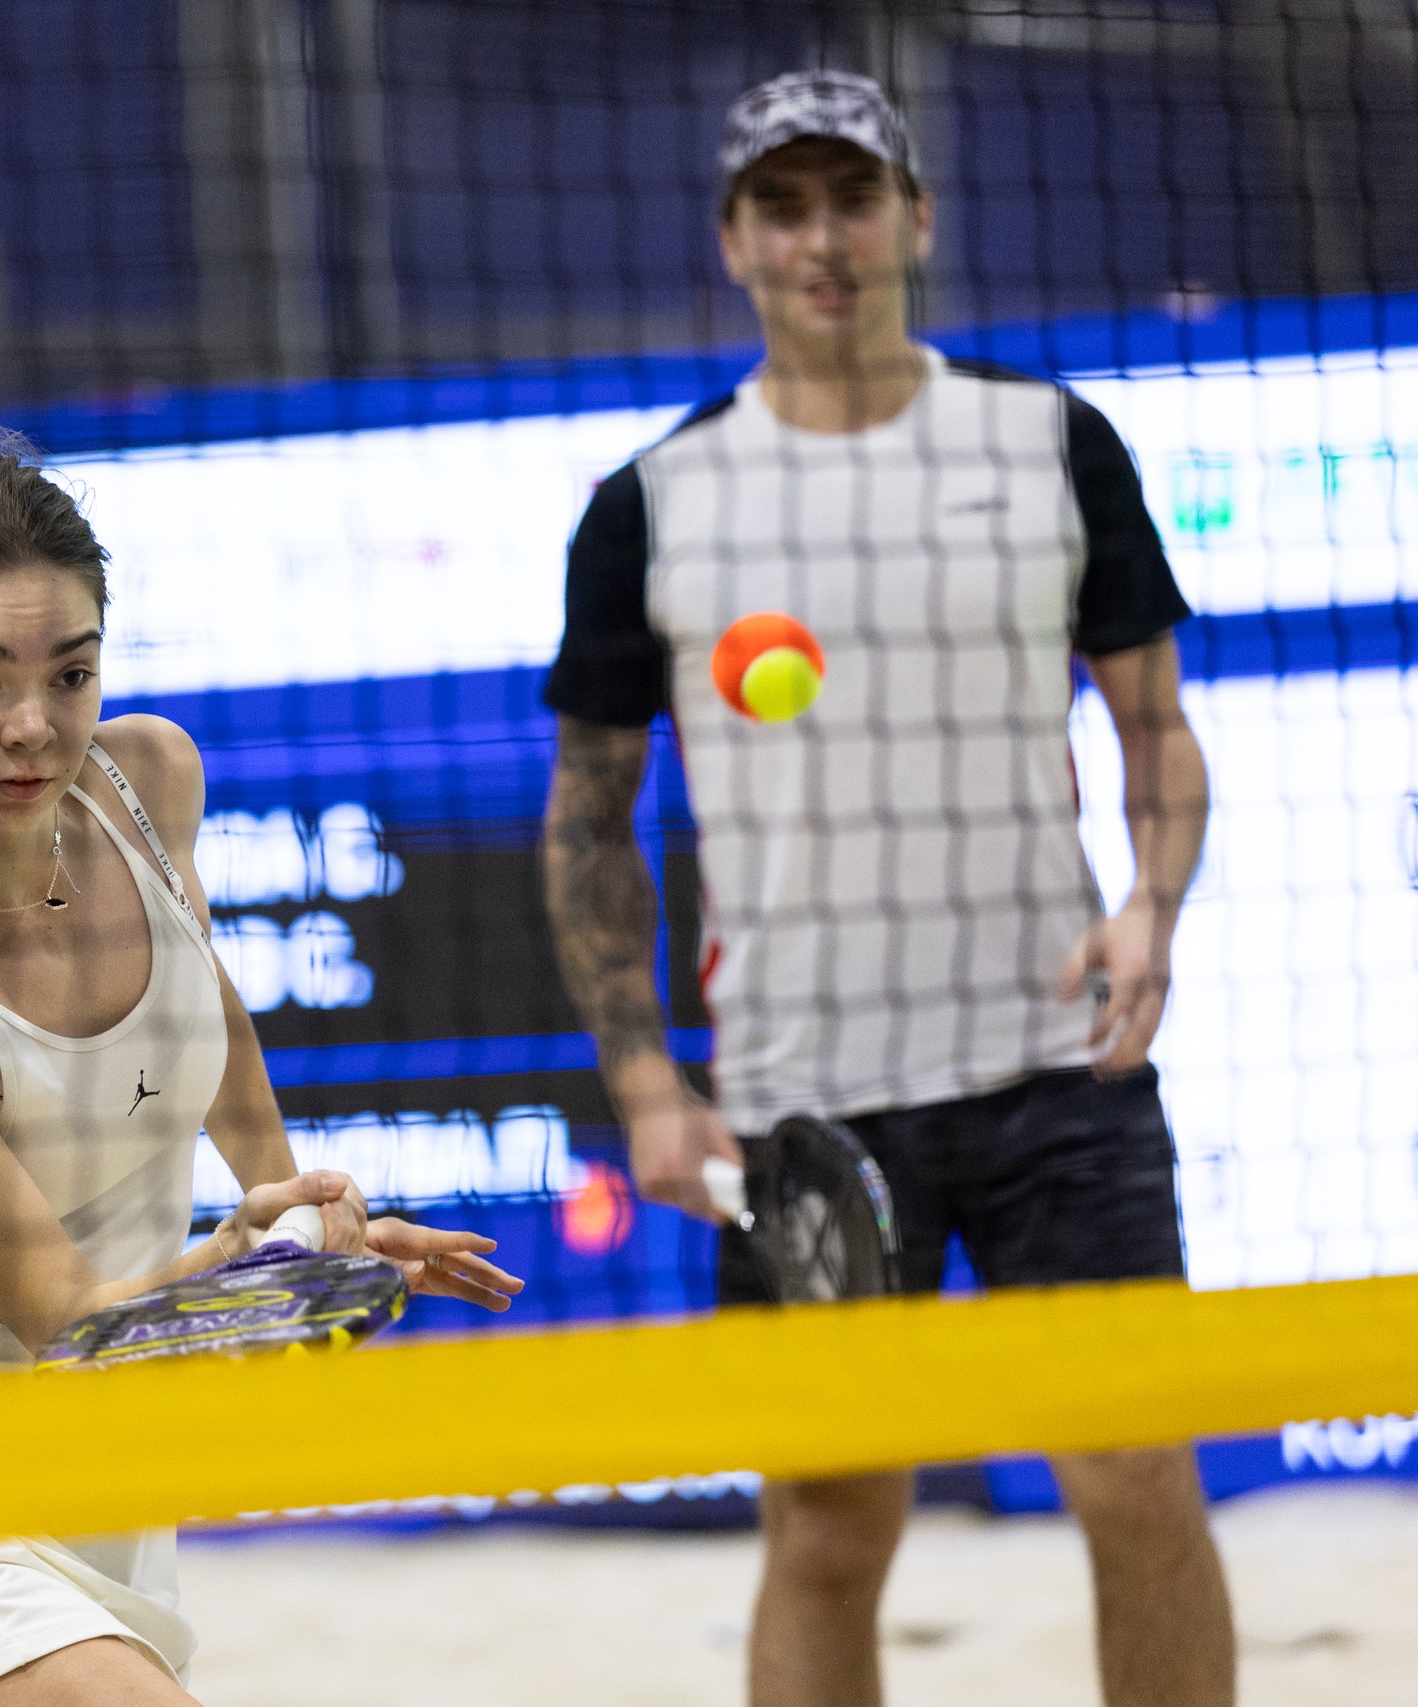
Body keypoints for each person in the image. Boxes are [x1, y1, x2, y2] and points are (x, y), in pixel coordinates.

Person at [538, 70, 1231, 1707]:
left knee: (1140, 1484)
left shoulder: (1052, 441)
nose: (822, 239)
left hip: (1061, 1070)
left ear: (916, 215)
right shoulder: (651, 506)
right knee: (831, 1528)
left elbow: (1158, 731)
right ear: (733, 243)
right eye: (782, 208)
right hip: (807, 1104)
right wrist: (645, 1080)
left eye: (854, 198)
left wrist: (1153, 904)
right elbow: (589, 821)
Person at [0, 429, 522, 1707]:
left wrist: (311, 1229)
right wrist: (241, 1266)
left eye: (70, 672)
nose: (31, 726)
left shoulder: (146, 779)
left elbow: (203, 1014)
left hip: (105, 1514)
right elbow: (74, 1327)